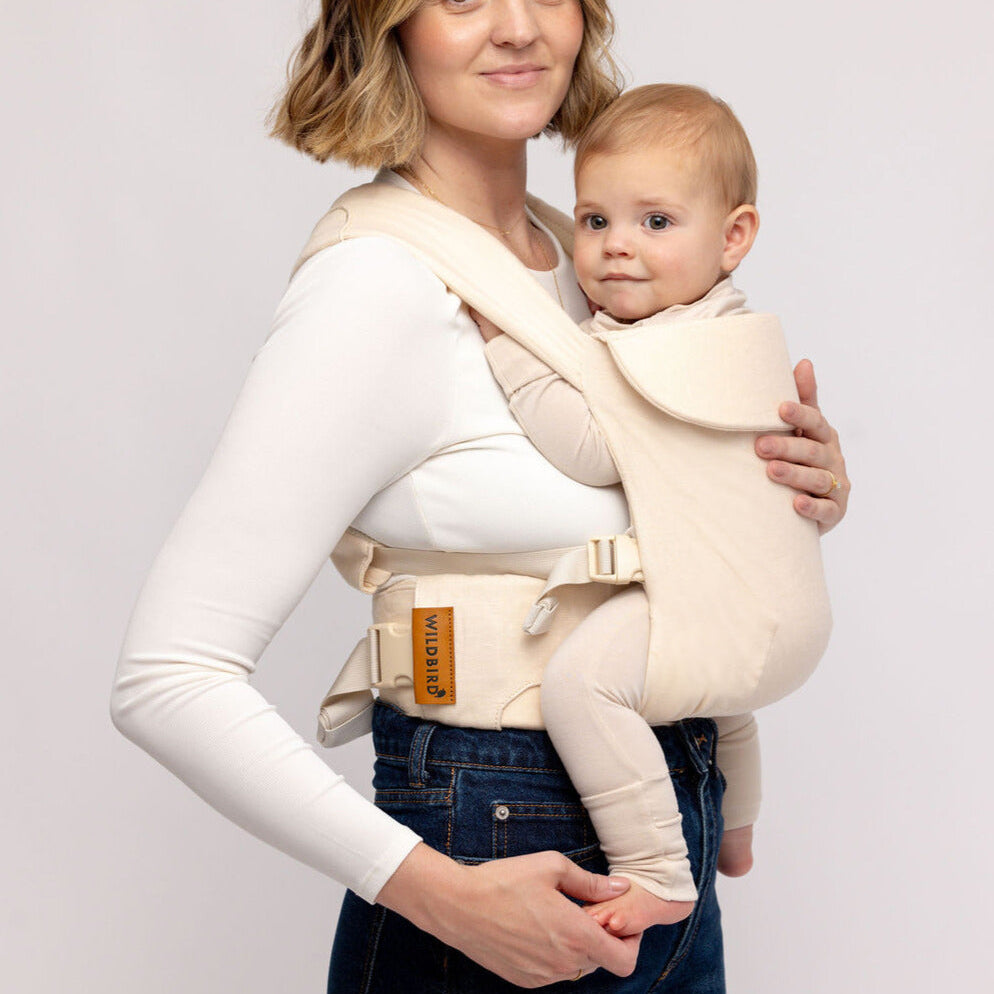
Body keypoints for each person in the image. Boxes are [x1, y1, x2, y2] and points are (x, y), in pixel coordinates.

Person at [109, 2, 851, 991]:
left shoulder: (588, 256)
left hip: (670, 806)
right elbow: (170, 677)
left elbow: (640, 503)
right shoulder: (379, 287)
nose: (516, 26)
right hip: (494, 841)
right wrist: (438, 894)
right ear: (388, 26)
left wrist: (790, 486)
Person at [472, 81, 833, 938]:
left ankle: (660, 869)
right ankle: (734, 829)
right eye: (594, 222)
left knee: (585, 682)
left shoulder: (664, 350)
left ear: (734, 236)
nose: (615, 249)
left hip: (727, 618)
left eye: (656, 223)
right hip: (786, 622)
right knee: (712, 689)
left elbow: (593, 447)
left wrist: (513, 354)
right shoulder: (736, 336)